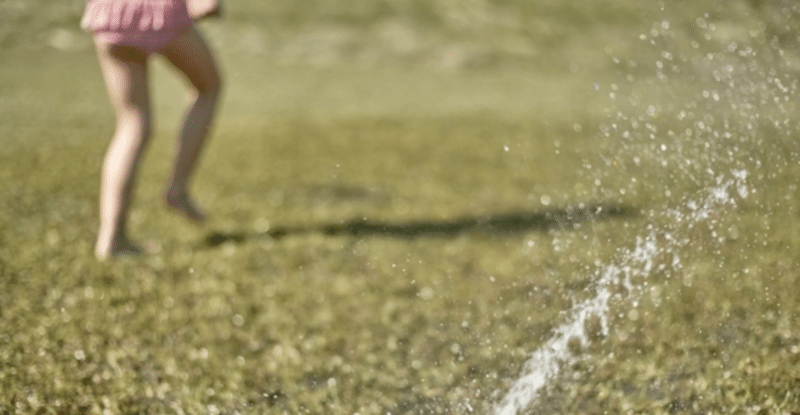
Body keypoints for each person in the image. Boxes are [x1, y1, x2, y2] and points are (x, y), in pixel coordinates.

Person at [81, 0, 222, 258]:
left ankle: (111, 238)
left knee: (132, 124)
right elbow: (207, 6)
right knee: (208, 87)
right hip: (159, 11)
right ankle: (177, 189)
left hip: (110, 13)